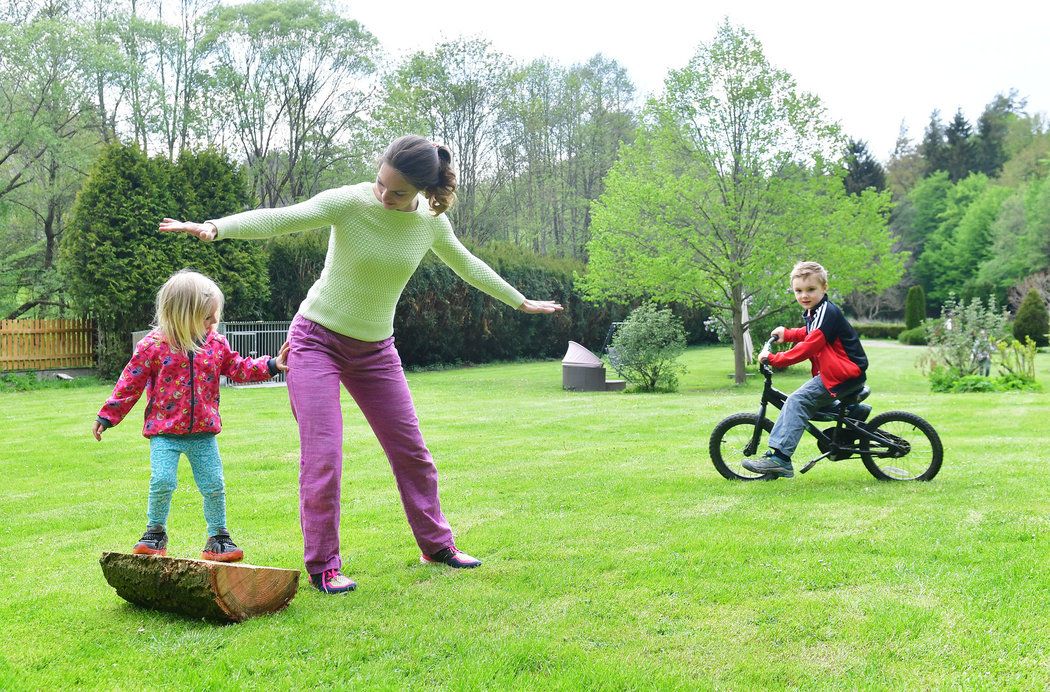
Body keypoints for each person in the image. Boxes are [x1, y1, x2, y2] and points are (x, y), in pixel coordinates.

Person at [159, 135, 563, 594]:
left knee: (412, 452)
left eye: (397, 193)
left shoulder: (430, 223)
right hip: (314, 342)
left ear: (422, 193)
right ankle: (324, 565)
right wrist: (217, 227)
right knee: (324, 455)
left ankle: (437, 545)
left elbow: (467, 265)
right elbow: (281, 218)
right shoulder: (349, 202)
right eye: (381, 183)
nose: (383, 196)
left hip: (376, 351)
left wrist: (520, 300)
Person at [93, 270, 290, 561]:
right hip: (164, 433)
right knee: (162, 481)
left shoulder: (215, 344)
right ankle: (154, 533)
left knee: (213, 484)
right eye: (207, 318)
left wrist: (271, 364)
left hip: (204, 433)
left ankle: (218, 537)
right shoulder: (153, 346)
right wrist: (108, 416)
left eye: (214, 318)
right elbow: (129, 383)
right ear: (182, 315)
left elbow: (239, 368)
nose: (213, 324)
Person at [743, 261, 868, 479]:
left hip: (843, 374)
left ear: (824, 287)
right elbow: (809, 333)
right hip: (841, 372)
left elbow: (811, 345)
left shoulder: (826, 312)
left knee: (796, 401)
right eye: (798, 291)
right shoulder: (816, 311)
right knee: (810, 403)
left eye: (811, 290)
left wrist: (774, 359)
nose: (804, 296)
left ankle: (780, 459)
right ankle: (852, 412)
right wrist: (788, 334)